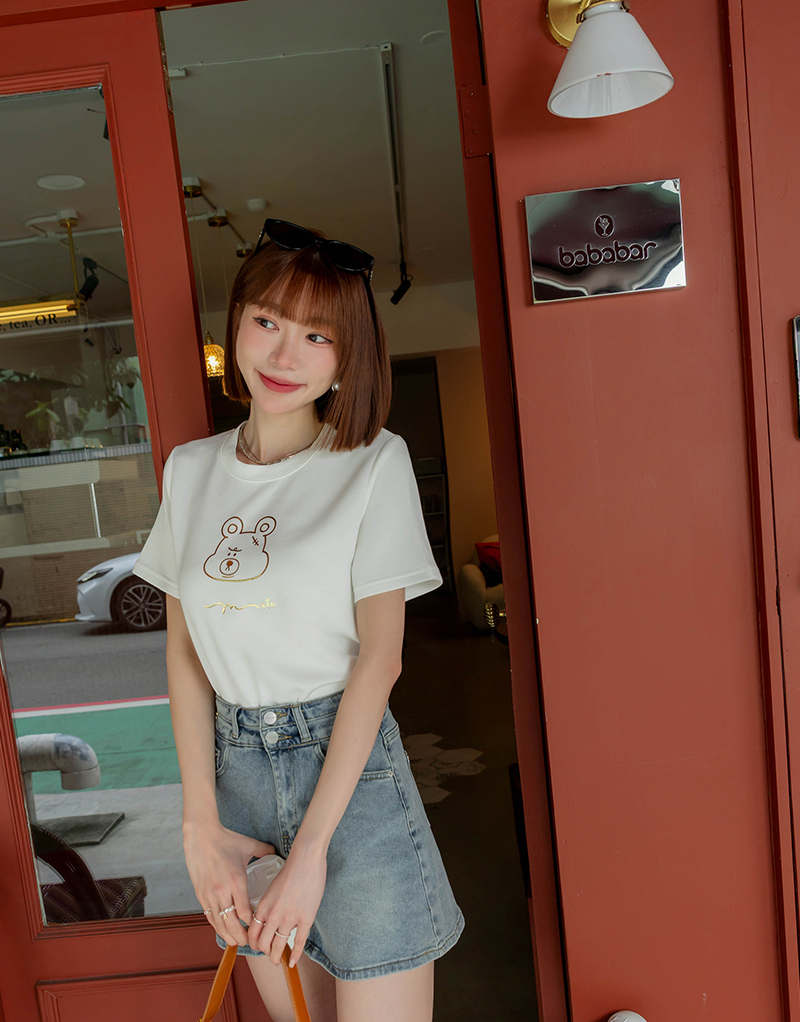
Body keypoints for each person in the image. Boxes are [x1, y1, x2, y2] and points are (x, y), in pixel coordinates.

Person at [133, 219, 464, 1022]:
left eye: (318, 336)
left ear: (349, 357)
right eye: (268, 321)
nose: (284, 355)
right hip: (237, 780)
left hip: (350, 781)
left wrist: (312, 851)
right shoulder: (190, 470)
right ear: (236, 323)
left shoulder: (372, 462)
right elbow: (185, 654)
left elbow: (380, 659)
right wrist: (199, 824)